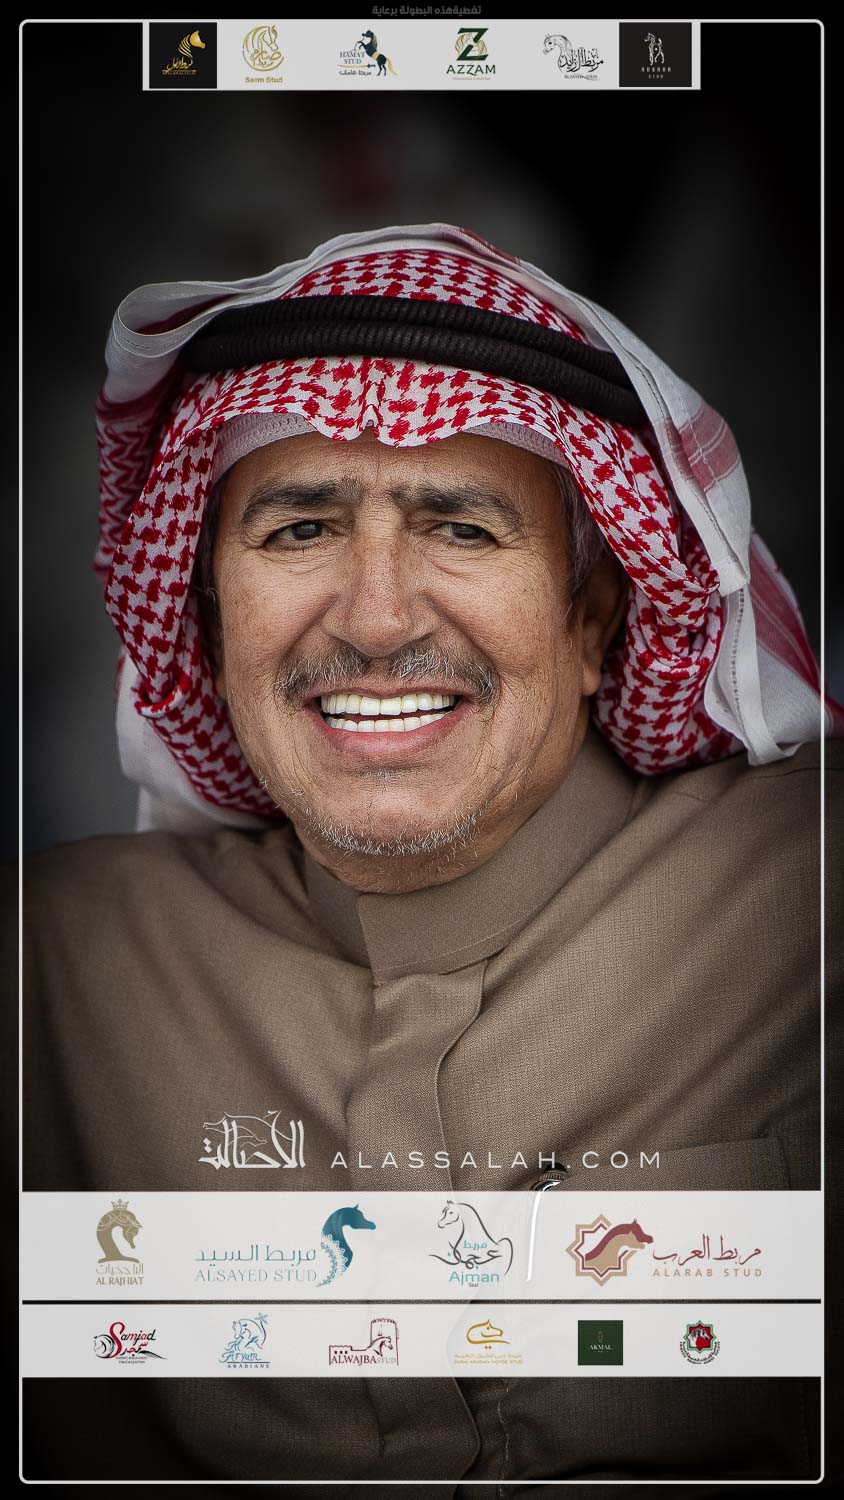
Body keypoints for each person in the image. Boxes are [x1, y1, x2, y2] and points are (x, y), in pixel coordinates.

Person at [22, 223, 838, 1485]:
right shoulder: (53, 973)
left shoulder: (808, 906)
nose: (375, 616)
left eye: (461, 528)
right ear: (210, 627)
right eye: (299, 530)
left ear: (591, 618)